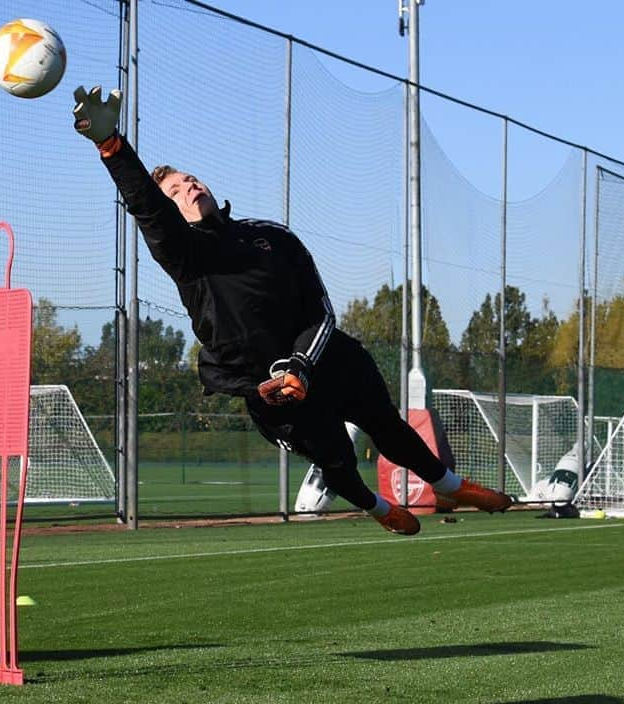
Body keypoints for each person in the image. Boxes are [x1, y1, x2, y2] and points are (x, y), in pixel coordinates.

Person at [72, 86, 512, 535]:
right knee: (335, 458)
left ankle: (451, 485)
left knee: (386, 424)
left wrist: (301, 362)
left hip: (321, 357)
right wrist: (113, 148)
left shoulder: (272, 236)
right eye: (176, 190)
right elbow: (148, 210)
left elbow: (320, 311)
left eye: (192, 179)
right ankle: (376, 507)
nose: (190, 187)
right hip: (267, 387)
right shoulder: (184, 253)